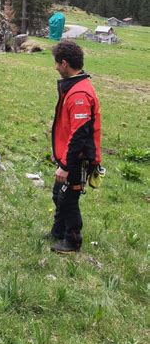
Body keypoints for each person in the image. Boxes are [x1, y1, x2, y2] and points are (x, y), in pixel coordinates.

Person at [49, 40, 101, 253]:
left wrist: (66, 165)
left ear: (64, 63)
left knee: (68, 199)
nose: (55, 68)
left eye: (56, 64)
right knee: (58, 193)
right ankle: (58, 232)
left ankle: (72, 241)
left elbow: (79, 134)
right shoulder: (75, 86)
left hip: (76, 157)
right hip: (68, 155)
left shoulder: (79, 94)